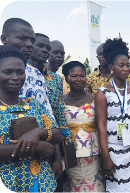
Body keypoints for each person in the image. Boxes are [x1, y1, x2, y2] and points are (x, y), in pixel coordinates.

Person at [0, 45, 62, 192]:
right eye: (8, 72)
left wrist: (38, 132)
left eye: (20, 72)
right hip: (7, 183)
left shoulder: (33, 103)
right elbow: (46, 147)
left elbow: (57, 134)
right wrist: (38, 147)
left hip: (42, 182)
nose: (15, 77)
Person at [95, 38, 130, 192]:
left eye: (128, 65)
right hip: (115, 152)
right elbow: (100, 126)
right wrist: (106, 157)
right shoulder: (103, 93)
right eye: (121, 65)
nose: (126, 69)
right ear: (111, 67)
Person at [29, 33, 73, 191]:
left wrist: (66, 147)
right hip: (28, 142)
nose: (45, 51)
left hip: (53, 139)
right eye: (40, 46)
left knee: (58, 181)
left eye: (48, 48)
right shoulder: (19, 74)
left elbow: (59, 113)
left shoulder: (55, 79)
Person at [62, 61, 105, 192]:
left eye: (82, 75)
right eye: (74, 76)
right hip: (70, 155)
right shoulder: (61, 101)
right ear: (67, 78)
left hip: (94, 155)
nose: (79, 79)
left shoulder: (95, 98)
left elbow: (102, 126)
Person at [0, 18, 53, 117]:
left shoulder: (36, 74)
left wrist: (39, 132)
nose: (29, 44)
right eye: (22, 38)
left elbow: (48, 113)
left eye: (32, 40)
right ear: (4, 39)